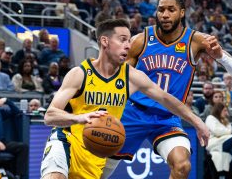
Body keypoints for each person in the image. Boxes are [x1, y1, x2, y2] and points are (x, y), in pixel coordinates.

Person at [101, 0, 232, 179]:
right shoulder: (140, 41)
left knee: (182, 166)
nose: (165, 15)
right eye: (161, 10)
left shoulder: (196, 41)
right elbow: (116, 80)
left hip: (168, 117)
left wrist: (221, 56)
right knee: (99, 170)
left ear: (182, 12)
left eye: (171, 10)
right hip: (132, 112)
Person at [40, 19, 209, 179]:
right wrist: (79, 118)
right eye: (122, 40)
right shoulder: (80, 73)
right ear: (105, 42)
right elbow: (50, 115)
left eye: (129, 40)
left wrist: (197, 121)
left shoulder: (132, 77)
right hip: (66, 142)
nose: (128, 45)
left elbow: (166, 99)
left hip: (94, 157)